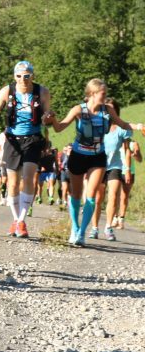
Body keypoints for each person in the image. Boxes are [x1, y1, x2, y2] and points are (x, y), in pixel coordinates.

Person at [50, 79, 140, 246]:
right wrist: (52, 119)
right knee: (76, 196)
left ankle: (82, 233)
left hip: (98, 156)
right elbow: (59, 128)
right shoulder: (78, 109)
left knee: (91, 196)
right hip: (78, 155)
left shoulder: (108, 110)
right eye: (103, 94)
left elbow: (123, 124)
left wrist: (139, 126)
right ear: (92, 94)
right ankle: (75, 228)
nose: (105, 98)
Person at [0, 61, 55, 239]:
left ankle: (22, 221)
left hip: (33, 138)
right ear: (14, 76)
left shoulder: (42, 92)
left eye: (27, 76)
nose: (23, 79)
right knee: (12, 183)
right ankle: (15, 219)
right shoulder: (7, 91)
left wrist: (47, 117)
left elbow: (47, 117)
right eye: (19, 76)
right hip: (12, 139)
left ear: (32, 76)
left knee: (29, 176)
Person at [98, 99, 133, 241]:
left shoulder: (122, 129)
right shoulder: (98, 126)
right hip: (99, 165)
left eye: (111, 109)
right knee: (97, 198)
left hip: (116, 166)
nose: (108, 112)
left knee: (113, 195)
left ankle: (108, 227)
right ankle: (94, 227)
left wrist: (128, 169)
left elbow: (126, 150)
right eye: (106, 109)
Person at [116, 138, 141, 229]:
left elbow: (140, 159)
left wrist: (135, 155)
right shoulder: (116, 142)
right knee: (115, 195)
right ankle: (115, 217)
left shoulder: (134, 144)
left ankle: (121, 219)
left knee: (124, 196)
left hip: (130, 172)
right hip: (116, 171)